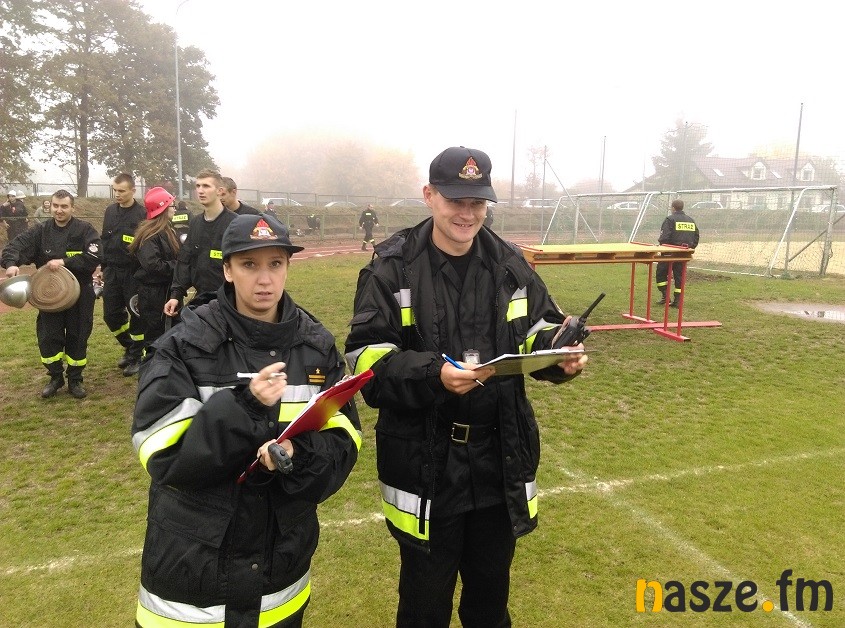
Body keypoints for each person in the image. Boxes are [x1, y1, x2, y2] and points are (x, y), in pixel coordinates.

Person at [344, 146, 588, 627]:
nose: (468, 213)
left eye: (478, 202)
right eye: (456, 200)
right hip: (426, 464)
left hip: (499, 459)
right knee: (424, 606)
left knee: (489, 604)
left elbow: (539, 330)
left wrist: (559, 355)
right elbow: (365, 359)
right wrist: (432, 374)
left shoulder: (510, 263)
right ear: (429, 195)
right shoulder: (393, 266)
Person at [132, 212, 362, 627]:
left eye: (275, 264)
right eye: (249, 265)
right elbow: (167, 460)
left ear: (288, 267)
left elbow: (345, 440)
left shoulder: (317, 346)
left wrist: (297, 455)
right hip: (193, 578)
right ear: (227, 270)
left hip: (280, 576)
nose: (264, 279)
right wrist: (246, 406)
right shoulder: (183, 345)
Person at [1, 190, 102, 399]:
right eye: (55, 205)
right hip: (48, 295)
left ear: (72, 208)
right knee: (49, 337)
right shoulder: (41, 231)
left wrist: (65, 262)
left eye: (64, 206)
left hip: (80, 293)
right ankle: (55, 377)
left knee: (78, 335)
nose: (59, 210)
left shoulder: (85, 230)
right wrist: (11, 264)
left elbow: (95, 256)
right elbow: (15, 246)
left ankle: (75, 379)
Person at [164, 169, 237, 319]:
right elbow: (185, 260)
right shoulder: (195, 223)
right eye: (198, 186)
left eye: (206, 186)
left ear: (219, 191)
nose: (200, 190)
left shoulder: (234, 223)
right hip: (202, 301)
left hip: (230, 302)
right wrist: (176, 295)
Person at [100, 173, 147, 376]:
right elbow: (104, 239)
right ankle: (129, 346)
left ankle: (138, 356)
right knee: (110, 315)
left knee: (136, 314)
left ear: (133, 191)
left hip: (133, 272)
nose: (117, 194)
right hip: (111, 270)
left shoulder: (142, 214)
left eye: (122, 191)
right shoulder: (110, 211)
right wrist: (103, 267)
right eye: (115, 190)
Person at [128, 188, 180, 354]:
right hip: (153, 294)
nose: (175, 209)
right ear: (163, 208)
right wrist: (179, 266)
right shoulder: (150, 235)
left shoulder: (167, 231)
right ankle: (151, 365)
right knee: (155, 336)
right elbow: (153, 265)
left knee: (170, 334)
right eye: (172, 205)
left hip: (166, 291)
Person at [656, 199, 700, 307]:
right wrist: (690, 248)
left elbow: (664, 237)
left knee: (661, 274)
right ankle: (677, 301)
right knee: (679, 277)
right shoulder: (690, 220)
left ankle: (665, 296)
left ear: (673, 208)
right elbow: (696, 236)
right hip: (683, 254)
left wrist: (664, 248)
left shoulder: (670, 219)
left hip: (669, 253)